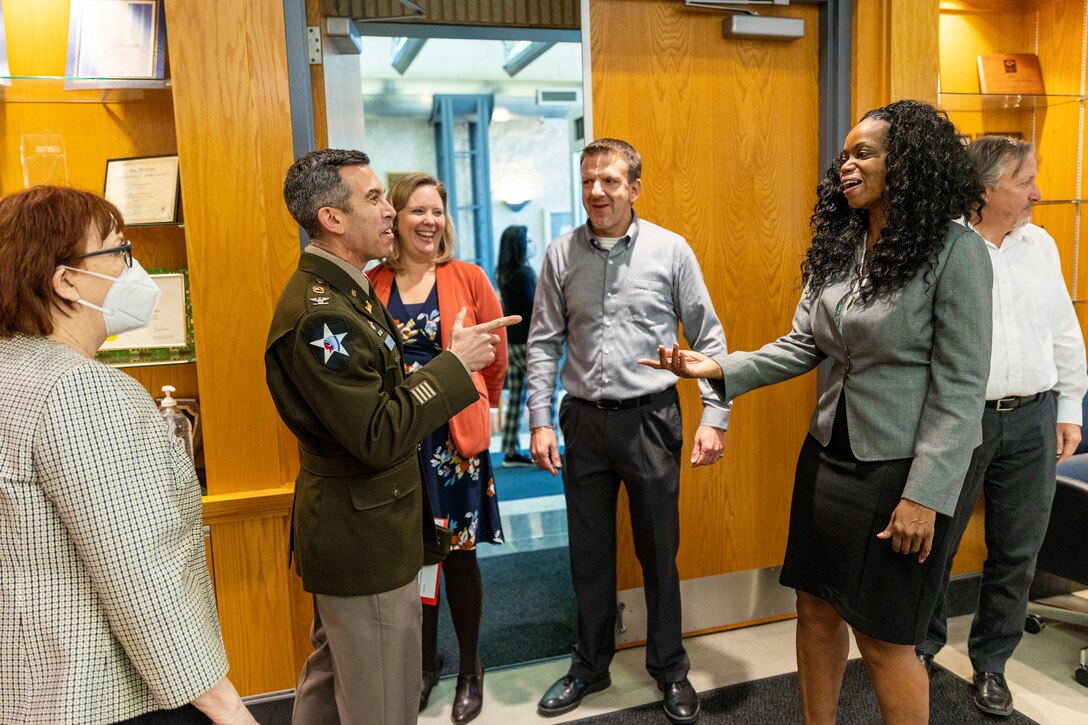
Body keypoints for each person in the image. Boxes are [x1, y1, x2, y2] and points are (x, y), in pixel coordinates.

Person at [641, 100, 993, 725]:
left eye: (863, 154)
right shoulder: (842, 244)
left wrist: (926, 496)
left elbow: (960, 387)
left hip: (901, 468)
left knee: (885, 638)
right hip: (828, 455)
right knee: (814, 607)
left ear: (906, 163)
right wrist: (717, 368)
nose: (846, 168)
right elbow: (803, 344)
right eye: (844, 157)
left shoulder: (955, 250)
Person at [265, 150, 518, 725]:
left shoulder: (345, 293)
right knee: (381, 702)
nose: (390, 212)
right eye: (375, 198)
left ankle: (466, 670)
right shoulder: (324, 312)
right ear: (332, 219)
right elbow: (377, 434)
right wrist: (454, 365)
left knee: (332, 687)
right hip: (365, 534)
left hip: (373, 519)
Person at [0, 186, 255, 725]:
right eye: (119, 252)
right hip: (106, 696)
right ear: (66, 281)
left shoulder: (13, 372)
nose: (132, 269)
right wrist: (227, 707)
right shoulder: (79, 390)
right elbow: (141, 573)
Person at [527, 138, 729, 725]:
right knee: (587, 555)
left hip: (651, 420)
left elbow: (709, 342)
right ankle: (589, 666)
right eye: (589, 180)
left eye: (610, 181)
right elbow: (542, 342)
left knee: (658, 551)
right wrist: (539, 421)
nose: (597, 191)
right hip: (583, 421)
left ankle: (670, 668)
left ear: (634, 188)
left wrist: (715, 417)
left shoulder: (671, 251)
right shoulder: (561, 254)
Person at [917, 136, 1087, 717]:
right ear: (986, 188)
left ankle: (992, 663)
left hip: (1035, 417)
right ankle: (920, 652)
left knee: (1017, 550)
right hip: (961, 421)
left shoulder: (1039, 244)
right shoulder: (942, 246)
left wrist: (1070, 407)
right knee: (933, 546)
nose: (1038, 193)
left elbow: (1064, 327)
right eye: (1025, 181)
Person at [367, 173, 507, 724]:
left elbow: (493, 355)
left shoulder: (467, 277)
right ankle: (425, 666)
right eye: (417, 211)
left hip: (454, 445)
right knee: (412, 561)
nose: (429, 221)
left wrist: (480, 406)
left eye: (437, 211)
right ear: (395, 218)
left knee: (460, 558)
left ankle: (471, 668)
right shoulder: (372, 282)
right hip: (399, 440)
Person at [495, 224, 537, 466]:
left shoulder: (504, 272)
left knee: (517, 398)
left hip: (512, 343)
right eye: (529, 240)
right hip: (529, 343)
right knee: (545, 394)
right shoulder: (524, 274)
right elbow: (535, 311)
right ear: (519, 246)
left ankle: (510, 449)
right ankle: (544, 444)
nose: (533, 244)